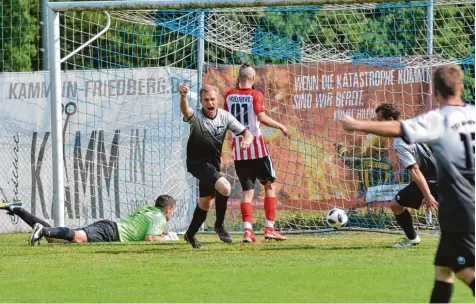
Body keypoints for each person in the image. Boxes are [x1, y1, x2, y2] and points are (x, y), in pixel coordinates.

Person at [340, 64, 474, 302]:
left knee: (466, 271)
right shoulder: (472, 114)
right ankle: (413, 237)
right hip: (462, 200)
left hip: (459, 207)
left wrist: (356, 125)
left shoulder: (438, 119)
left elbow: (399, 130)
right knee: (444, 271)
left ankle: (412, 237)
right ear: (461, 88)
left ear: (435, 92)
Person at [180, 83, 253, 248]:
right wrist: (183, 97)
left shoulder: (225, 116)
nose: (210, 103)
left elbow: (246, 133)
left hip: (212, 166)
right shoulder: (197, 116)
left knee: (205, 202)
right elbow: (186, 111)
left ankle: (190, 235)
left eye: (212, 99)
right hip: (197, 164)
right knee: (225, 187)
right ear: (201, 101)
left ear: (217, 99)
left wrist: (247, 140)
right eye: (206, 100)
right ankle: (219, 226)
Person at [223, 62, 290, 243]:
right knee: (269, 186)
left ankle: (247, 231)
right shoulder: (255, 94)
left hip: (239, 150)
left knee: (247, 191)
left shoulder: (229, 96)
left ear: (239, 78)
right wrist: (280, 125)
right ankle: (269, 229)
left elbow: (226, 120)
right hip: (257, 148)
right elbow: (261, 118)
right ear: (253, 79)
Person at [374, 102, 438, 248]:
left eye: (379, 121)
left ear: (390, 121)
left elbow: (415, 170)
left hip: (432, 178)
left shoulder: (399, 142)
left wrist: (427, 195)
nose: (377, 125)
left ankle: (412, 238)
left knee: (395, 205)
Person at [26, 194, 177, 245]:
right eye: (172, 211)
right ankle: (43, 230)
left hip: (110, 227)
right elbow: (149, 238)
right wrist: (170, 239)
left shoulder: (147, 209)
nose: (171, 214)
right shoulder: (160, 216)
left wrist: (159, 236)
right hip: (112, 232)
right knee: (77, 237)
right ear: (168, 209)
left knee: (56, 240)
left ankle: (20, 212)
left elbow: (144, 230)